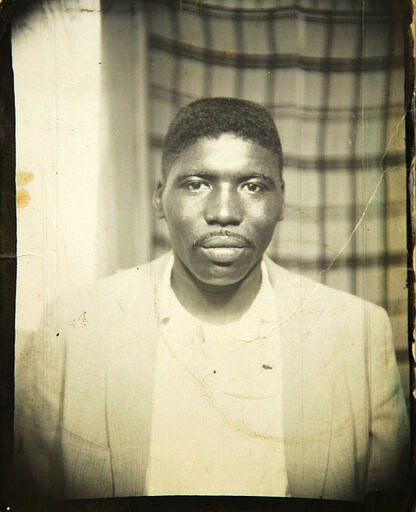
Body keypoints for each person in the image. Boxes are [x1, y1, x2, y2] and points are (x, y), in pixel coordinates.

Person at [15, 97, 409, 502]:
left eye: (253, 186)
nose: (224, 212)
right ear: (159, 198)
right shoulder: (73, 328)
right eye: (197, 184)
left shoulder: (357, 332)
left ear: (281, 201)